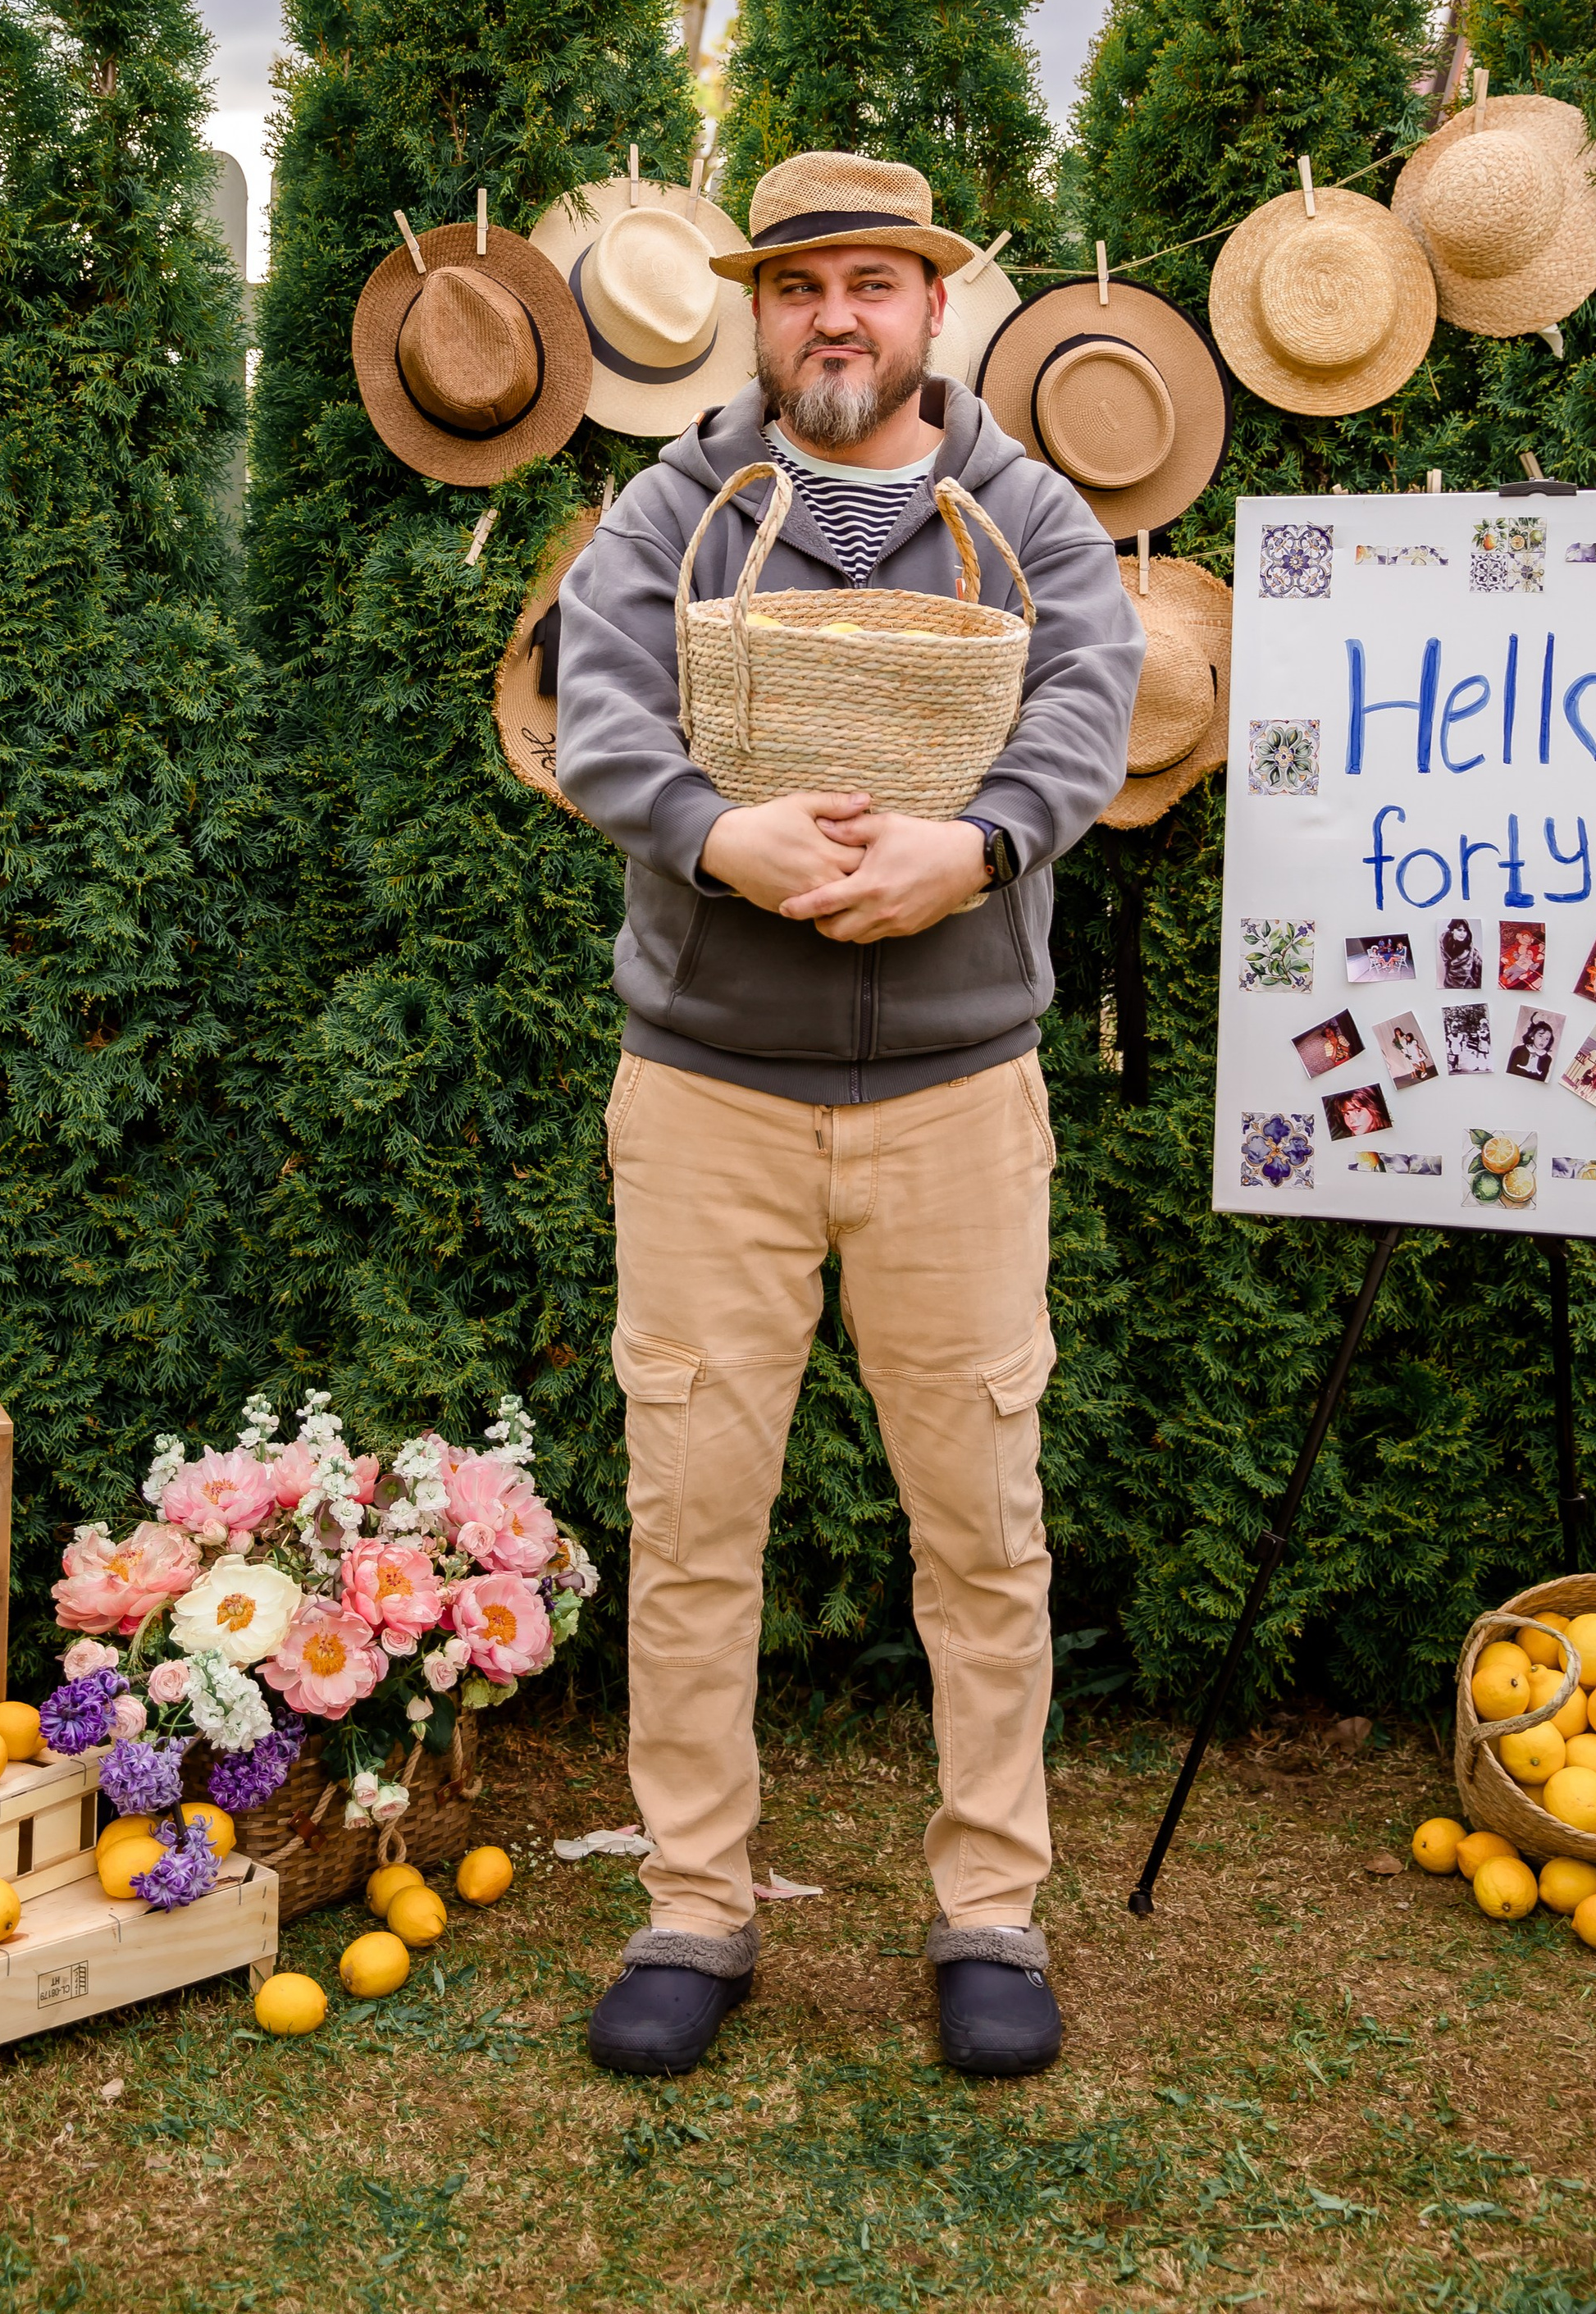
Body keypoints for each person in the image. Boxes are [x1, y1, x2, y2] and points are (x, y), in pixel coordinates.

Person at [555, 151, 1142, 2083]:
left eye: (871, 284)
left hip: (958, 1100)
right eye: (800, 284)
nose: (834, 319)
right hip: (708, 1090)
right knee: (694, 1512)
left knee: (978, 1521)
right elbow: (601, 714)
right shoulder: (675, 508)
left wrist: (970, 851)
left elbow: (1081, 710)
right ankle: (692, 1908)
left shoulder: (1028, 513)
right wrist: (712, 831)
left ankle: (989, 1908)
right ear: (756, 309)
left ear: (930, 307)